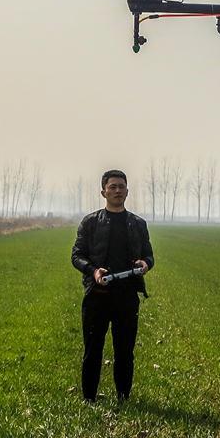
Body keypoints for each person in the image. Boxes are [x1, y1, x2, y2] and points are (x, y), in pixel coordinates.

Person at [71, 169, 154, 403]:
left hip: (127, 297)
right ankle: (89, 399)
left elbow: (150, 256)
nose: (118, 191)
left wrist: (144, 264)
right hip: (97, 295)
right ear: (103, 191)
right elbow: (76, 255)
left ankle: (123, 397)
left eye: (121, 187)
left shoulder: (138, 224)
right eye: (113, 187)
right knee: (92, 350)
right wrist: (93, 271)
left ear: (127, 191)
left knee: (125, 351)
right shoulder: (90, 222)